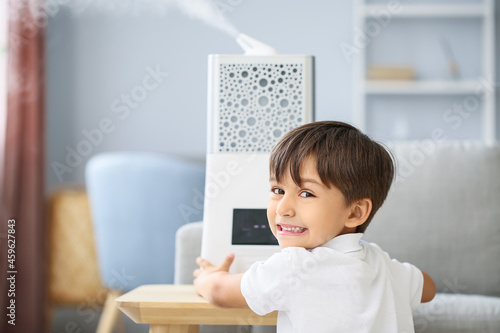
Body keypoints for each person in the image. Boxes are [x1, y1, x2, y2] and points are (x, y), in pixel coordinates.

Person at [193, 121, 436, 332]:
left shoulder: (294, 266)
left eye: (306, 193)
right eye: (278, 190)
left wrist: (207, 276)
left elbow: (217, 291)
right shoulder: (381, 263)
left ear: (355, 212)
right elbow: (428, 288)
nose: (282, 209)